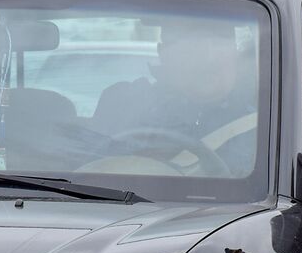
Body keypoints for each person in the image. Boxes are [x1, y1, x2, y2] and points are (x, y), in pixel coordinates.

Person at [91, 18, 258, 172]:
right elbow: (86, 169)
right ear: (163, 54)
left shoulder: (267, 115)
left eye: (218, 43)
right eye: (191, 47)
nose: (208, 57)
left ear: (236, 53)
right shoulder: (123, 103)